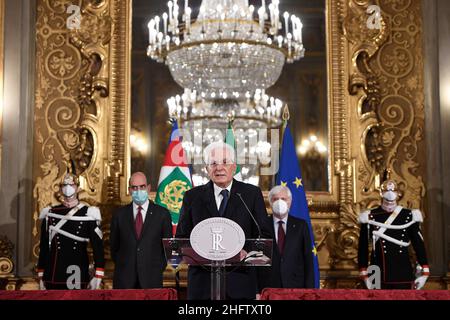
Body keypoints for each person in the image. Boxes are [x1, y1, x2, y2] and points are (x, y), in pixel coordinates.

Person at [176, 141, 272, 300]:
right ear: (206, 169)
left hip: (240, 283)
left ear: (234, 166)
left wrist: (247, 252)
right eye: (213, 163)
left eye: (225, 162)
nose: (219, 168)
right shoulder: (192, 197)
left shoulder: (250, 194)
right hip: (203, 284)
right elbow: (181, 238)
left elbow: (265, 235)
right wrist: (201, 251)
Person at [37, 173, 105, 290]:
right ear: (60, 188)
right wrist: (41, 273)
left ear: (78, 187)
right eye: (65, 185)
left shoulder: (89, 213)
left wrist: (98, 274)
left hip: (77, 269)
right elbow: (44, 247)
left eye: (72, 185)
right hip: (54, 271)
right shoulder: (51, 213)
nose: (68, 188)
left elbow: (97, 246)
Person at [358, 179, 429, 289]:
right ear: (381, 193)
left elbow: (418, 244)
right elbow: (363, 247)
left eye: (393, 190)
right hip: (377, 271)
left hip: (403, 271)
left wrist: (424, 271)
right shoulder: (369, 216)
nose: (390, 193)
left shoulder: (409, 215)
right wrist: (364, 273)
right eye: (386, 190)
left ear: (398, 193)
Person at [110, 171, 172, 289]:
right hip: (124, 280)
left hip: (151, 280)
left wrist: (156, 268)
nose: (138, 191)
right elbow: (114, 248)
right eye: (135, 187)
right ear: (129, 190)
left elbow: (167, 249)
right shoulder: (119, 215)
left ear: (148, 188)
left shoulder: (162, 215)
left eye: (142, 187)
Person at [258, 185, 314, 289]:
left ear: (290, 202)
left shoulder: (301, 225)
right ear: (270, 203)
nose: (279, 202)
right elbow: (256, 260)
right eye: (275, 199)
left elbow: (308, 260)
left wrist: (310, 291)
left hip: (296, 286)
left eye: (283, 199)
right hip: (268, 286)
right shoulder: (261, 225)